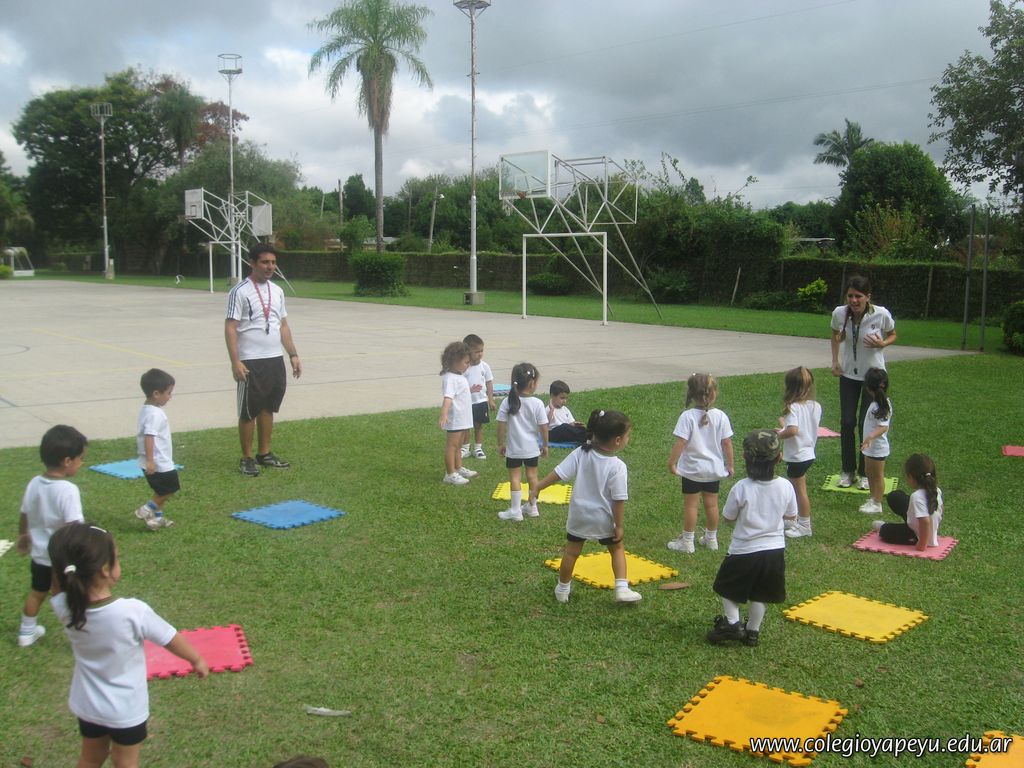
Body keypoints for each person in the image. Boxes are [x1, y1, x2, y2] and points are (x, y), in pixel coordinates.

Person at [48, 522, 209, 767]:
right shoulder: (133, 612)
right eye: (117, 557)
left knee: (90, 757)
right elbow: (170, 638)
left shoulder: (65, 608)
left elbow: (56, 585)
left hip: (88, 705)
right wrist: (196, 658)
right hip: (125, 709)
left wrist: (62, 558)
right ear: (105, 569)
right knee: (125, 762)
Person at [536, 409, 642, 604]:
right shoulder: (618, 466)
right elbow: (618, 500)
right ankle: (621, 588)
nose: (628, 439)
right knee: (617, 549)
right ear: (618, 440)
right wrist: (619, 525)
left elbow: (558, 473)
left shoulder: (581, 452)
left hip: (579, 516)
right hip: (604, 518)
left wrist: (538, 487)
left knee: (571, 552)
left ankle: (562, 589)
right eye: (628, 436)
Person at [708, 429, 797, 647]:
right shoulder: (786, 486)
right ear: (779, 458)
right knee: (760, 594)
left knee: (726, 587)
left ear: (744, 457)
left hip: (743, 550)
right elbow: (791, 517)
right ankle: (752, 631)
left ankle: (732, 623)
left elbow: (728, 517)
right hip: (774, 552)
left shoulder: (741, 488)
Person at [225, 243, 302, 477]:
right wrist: (235, 361)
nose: (270, 267)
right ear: (252, 263)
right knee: (249, 410)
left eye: (273, 262)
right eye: (265, 262)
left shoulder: (277, 291)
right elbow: (230, 327)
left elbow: (283, 325)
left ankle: (264, 453)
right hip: (250, 360)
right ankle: (247, 458)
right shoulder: (240, 291)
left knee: (268, 407)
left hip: (274, 359)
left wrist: (293, 354)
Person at [15, 425, 88, 647]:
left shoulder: (34, 483)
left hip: (39, 557)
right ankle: (81, 634)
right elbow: (74, 527)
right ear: (67, 461)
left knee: (37, 592)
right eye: (80, 459)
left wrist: (23, 536)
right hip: (62, 559)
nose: (81, 463)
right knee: (70, 596)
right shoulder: (68, 490)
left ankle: (26, 632)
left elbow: (24, 513)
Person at [830, 275, 896, 489]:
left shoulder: (880, 314)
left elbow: (893, 334)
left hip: (874, 378)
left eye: (858, 296)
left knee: (866, 424)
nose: (854, 300)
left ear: (868, 297)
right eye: (850, 296)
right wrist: (835, 361)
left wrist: (882, 343)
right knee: (847, 422)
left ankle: (865, 473)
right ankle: (847, 471)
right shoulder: (840, 313)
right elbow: (834, 335)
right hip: (849, 374)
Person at [667, 373, 734, 553]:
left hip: (692, 471)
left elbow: (681, 442)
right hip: (713, 470)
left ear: (691, 393)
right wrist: (730, 465)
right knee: (712, 504)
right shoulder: (721, 416)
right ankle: (711, 540)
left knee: (691, 505)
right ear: (713, 393)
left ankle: (687, 542)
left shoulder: (687, 417)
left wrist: (672, 463)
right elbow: (727, 443)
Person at [496, 363, 549, 521]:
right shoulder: (538, 403)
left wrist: (500, 444)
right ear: (532, 383)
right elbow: (544, 427)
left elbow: (501, 425)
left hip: (514, 450)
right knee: (533, 476)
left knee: (515, 478)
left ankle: (515, 510)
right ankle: (532, 507)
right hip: (532, 449)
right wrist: (545, 445)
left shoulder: (507, 401)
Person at [776, 366, 821, 539]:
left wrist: (779, 434)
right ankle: (794, 519)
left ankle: (804, 525)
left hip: (797, 456)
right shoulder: (815, 406)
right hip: (808, 453)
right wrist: (784, 426)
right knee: (798, 488)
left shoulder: (792, 407)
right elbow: (801, 428)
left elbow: (793, 430)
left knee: (800, 491)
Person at [870, 453, 943, 551]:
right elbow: (940, 510)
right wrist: (935, 526)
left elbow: (925, 521)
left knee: (886, 531)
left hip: (916, 533)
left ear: (911, 477)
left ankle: (883, 526)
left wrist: (922, 544)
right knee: (895, 496)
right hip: (920, 525)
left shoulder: (916, 497)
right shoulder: (936, 490)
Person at [134, 368, 178, 531]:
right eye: (168, 393)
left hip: (157, 459)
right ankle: (146, 509)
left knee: (160, 491)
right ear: (156, 394)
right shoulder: (154, 414)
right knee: (170, 489)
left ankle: (157, 518)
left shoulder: (147, 409)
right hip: (158, 461)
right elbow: (149, 436)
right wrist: (151, 461)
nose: (170, 396)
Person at [438, 340, 479, 486]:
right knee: (452, 446)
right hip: (455, 419)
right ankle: (450, 473)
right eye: (466, 362)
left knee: (459, 445)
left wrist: (470, 390)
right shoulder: (450, 378)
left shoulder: (459, 376)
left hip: (463, 418)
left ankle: (458, 467)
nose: (468, 365)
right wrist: (444, 414)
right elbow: (448, 398)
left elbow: (459, 393)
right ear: (455, 361)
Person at [858, 367, 892, 516]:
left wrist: (870, 437)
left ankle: (877, 503)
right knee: (868, 472)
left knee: (877, 475)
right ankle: (872, 498)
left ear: (868, 387)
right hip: (869, 447)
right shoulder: (875, 403)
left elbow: (883, 427)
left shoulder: (882, 405)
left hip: (878, 448)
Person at [461, 334, 495, 460]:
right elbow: (460, 385)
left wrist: (490, 399)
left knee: (478, 425)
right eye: (476, 352)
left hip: (480, 401)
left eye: (481, 351)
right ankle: (465, 448)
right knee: (466, 426)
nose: (480, 354)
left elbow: (489, 382)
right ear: (467, 352)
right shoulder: (464, 367)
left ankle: (478, 448)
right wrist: (469, 390)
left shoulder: (484, 366)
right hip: (467, 402)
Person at [547, 380, 588, 446]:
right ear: (552, 396)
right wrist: (551, 410)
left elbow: (570, 423)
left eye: (566, 398)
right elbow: (545, 425)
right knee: (564, 427)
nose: (565, 401)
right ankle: (586, 437)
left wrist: (575, 424)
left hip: (564, 431)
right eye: (562, 398)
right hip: (552, 434)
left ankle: (588, 436)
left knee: (581, 428)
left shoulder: (565, 409)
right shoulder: (548, 409)